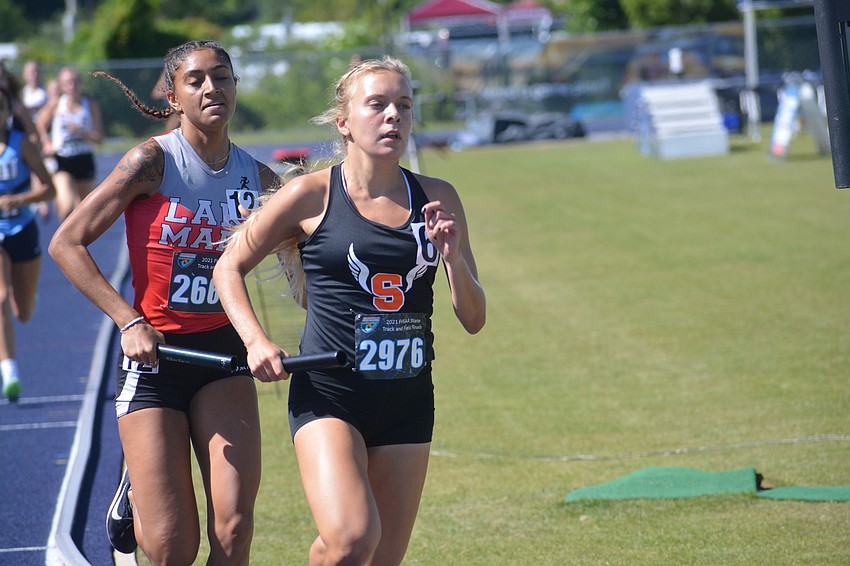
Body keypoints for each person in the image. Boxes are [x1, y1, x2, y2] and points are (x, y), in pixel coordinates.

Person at [213, 56, 487, 565]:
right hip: (330, 395)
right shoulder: (309, 196)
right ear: (343, 122)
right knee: (353, 539)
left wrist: (451, 256)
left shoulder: (439, 197)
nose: (394, 117)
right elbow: (228, 267)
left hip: (407, 398)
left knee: (375, 556)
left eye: (404, 106)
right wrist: (256, 341)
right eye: (378, 105)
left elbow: (473, 317)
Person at [49, 40, 280, 564]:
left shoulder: (260, 179)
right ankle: (135, 490)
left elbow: (314, 244)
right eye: (195, 80)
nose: (211, 88)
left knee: (236, 528)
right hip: (154, 358)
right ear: (173, 96)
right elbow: (66, 242)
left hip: (224, 357)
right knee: (174, 548)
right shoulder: (150, 162)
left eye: (221, 77)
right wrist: (128, 320)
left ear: (235, 87)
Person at [0, 87, 56, 401]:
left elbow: (49, 190)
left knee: (23, 311)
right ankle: (10, 373)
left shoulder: (21, 145)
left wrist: (18, 199)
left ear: (8, 112)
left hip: (22, 228)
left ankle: (28, 296)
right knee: (1, 298)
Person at [36, 66, 104, 221]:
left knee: (85, 210)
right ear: (61, 86)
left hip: (84, 159)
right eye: (67, 83)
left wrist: (82, 132)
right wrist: (47, 142)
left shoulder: (90, 104)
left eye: (74, 82)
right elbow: (39, 123)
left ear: (80, 83)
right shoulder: (56, 104)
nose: (72, 86)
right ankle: (63, 239)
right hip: (63, 160)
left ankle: (78, 241)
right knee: (67, 207)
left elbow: (99, 138)